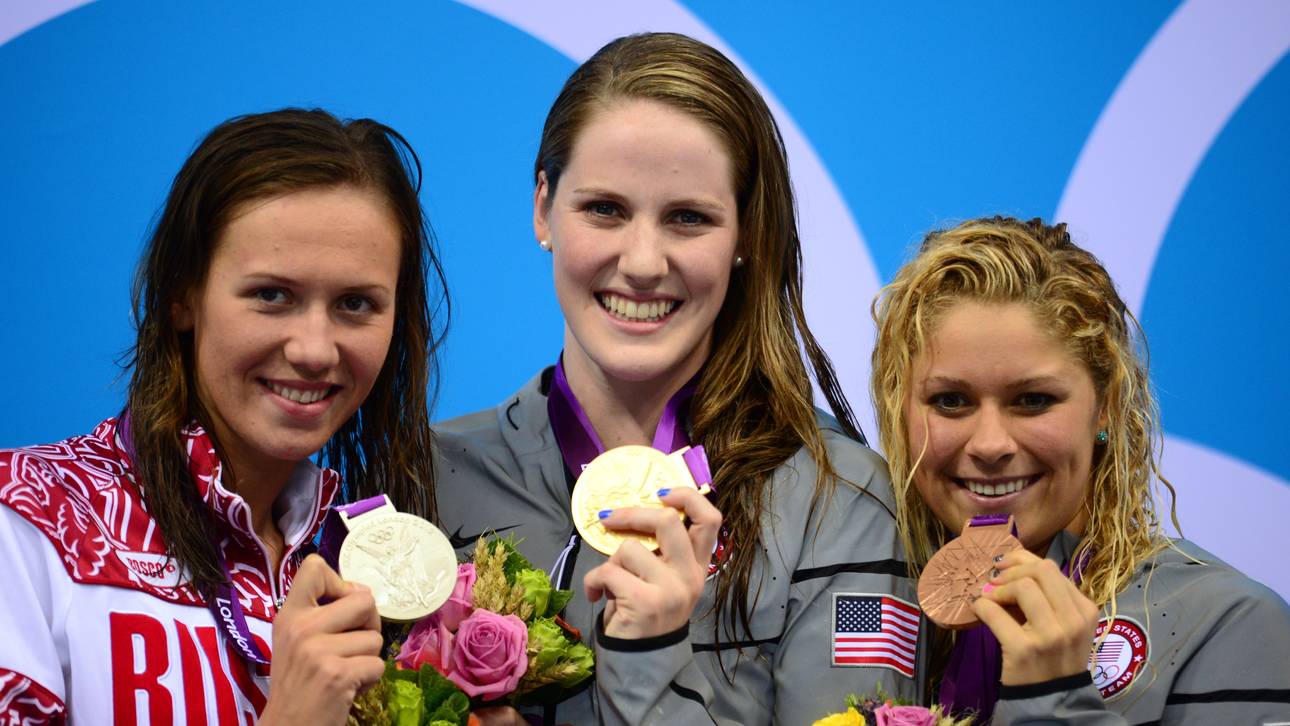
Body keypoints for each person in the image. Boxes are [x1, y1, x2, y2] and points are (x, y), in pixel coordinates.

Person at [435, 32, 921, 726]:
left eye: (688, 218)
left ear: (747, 234)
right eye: (604, 208)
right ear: (543, 208)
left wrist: (654, 656)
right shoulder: (429, 477)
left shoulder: (840, 502)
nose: (642, 261)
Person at [0, 108, 447, 725]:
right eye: (271, 295)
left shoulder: (384, 557)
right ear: (183, 294)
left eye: (355, 304)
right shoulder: (26, 522)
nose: (314, 350)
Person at [870, 215, 1290, 723]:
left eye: (1033, 400)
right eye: (951, 400)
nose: (989, 444)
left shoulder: (1229, 623)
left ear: (1106, 406)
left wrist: (1055, 696)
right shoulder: (874, 609)